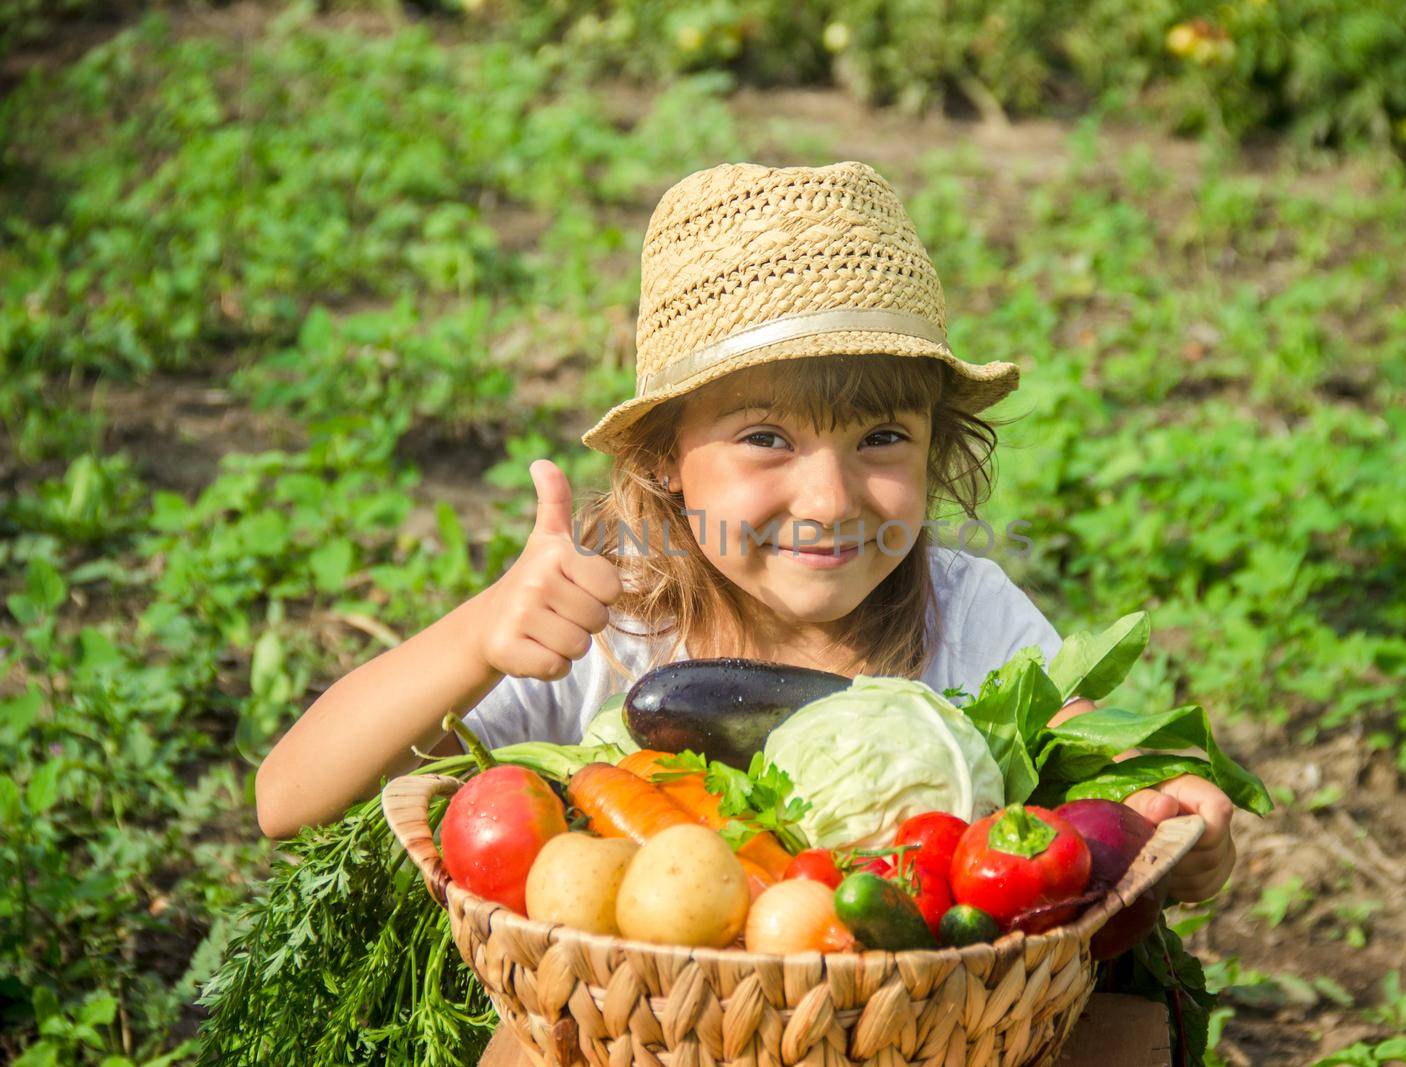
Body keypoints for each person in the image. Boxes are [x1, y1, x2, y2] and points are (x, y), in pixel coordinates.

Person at [254, 161, 1236, 1062]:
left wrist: (1168, 829)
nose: (829, 497)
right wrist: (477, 634)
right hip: (653, 1039)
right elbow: (287, 799)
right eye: (766, 437)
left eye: (882, 437)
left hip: (929, 1041)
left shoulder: (969, 614)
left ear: (937, 449)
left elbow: (1100, 793)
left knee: (1116, 1038)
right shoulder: (611, 620)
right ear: (662, 462)